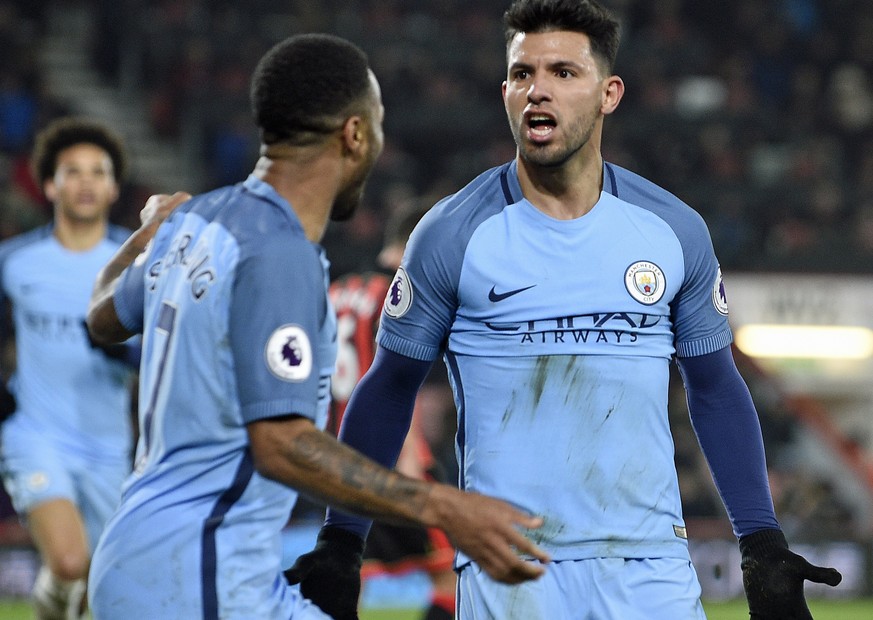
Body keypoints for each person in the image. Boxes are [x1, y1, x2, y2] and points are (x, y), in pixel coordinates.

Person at [289, 2, 844, 619]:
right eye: (522, 74)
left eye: (562, 72)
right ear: (503, 91)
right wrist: (342, 540)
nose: (537, 91)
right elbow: (388, 389)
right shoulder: (450, 235)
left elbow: (714, 387)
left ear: (609, 93)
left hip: (650, 569)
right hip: (510, 566)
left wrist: (761, 542)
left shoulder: (673, 230)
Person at [84, 33, 549, 620]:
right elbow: (280, 445)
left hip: (146, 558)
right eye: (377, 125)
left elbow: (101, 315)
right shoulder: (279, 252)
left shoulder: (198, 222)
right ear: (355, 133)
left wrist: (147, 236)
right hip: (201, 576)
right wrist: (445, 507)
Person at [0, 117, 139, 620]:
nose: (85, 182)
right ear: (50, 185)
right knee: (69, 559)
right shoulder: (15, 261)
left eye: (97, 172)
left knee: (96, 594)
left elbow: (165, 350)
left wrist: (122, 352)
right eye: (72, 172)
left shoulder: (137, 264)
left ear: (114, 187)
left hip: (109, 450)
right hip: (35, 434)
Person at [328, 205, 456, 620]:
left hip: (334, 463)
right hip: (389, 460)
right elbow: (394, 385)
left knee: (349, 579)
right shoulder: (397, 295)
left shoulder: (339, 291)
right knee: (453, 574)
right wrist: (410, 464)